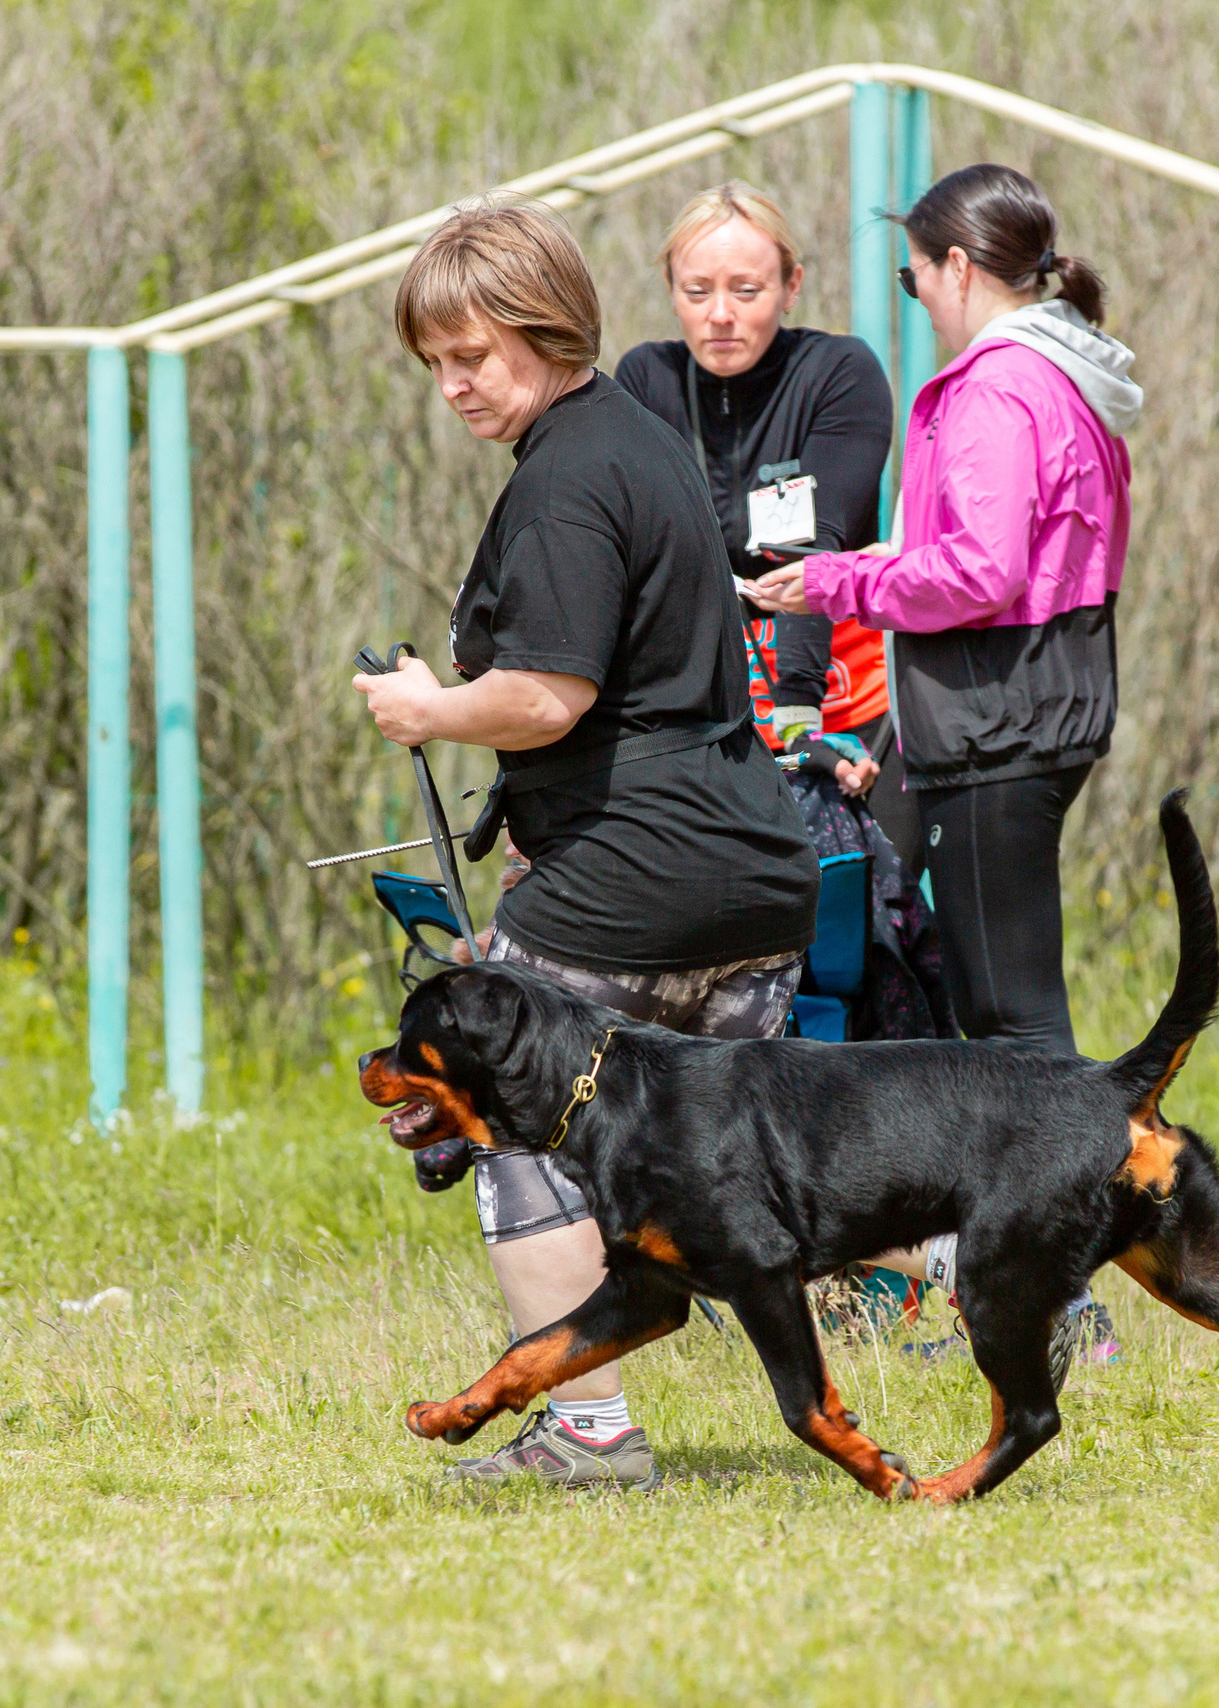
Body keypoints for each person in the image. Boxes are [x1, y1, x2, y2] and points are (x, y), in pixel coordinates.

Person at [355, 198, 819, 1489]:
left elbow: (549, 693)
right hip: (756, 873)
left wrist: (426, 707)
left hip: (631, 873)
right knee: (763, 1167)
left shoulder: (563, 483)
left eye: (473, 356)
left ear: (546, 327)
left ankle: (589, 1432)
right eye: (434, 363)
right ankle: (1007, 1265)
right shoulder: (644, 437)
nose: (451, 385)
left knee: (518, 1136)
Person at [746, 162, 1143, 1373]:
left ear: (959, 271)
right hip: (1020, 712)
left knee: (1009, 1018)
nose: (917, 298)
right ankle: (965, 1269)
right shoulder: (1067, 371)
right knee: (949, 978)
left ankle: (1061, 1293)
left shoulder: (998, 389)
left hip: (998, 720)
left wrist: (836, 578)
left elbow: (975, 572)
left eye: (917, 279)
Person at [613, 182, 918, 862]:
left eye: (746, 291)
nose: (720, 315)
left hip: (846, 701)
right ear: (670, 290)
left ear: (791, 285)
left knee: (852, 947)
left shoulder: (840, 371)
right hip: (714, 711)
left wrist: (801, 720)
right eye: (697, 292)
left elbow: (812, 551)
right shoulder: (645, 379)